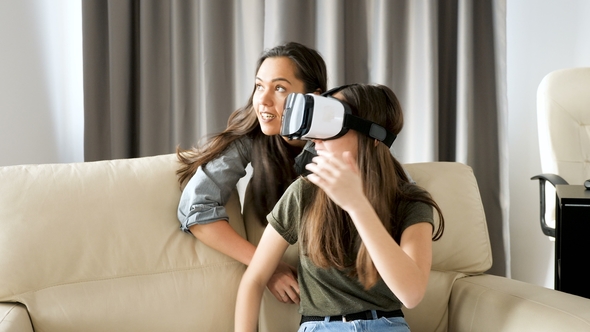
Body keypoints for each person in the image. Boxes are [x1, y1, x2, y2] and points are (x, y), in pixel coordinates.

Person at [235, 83, 445, 332]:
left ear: (374, 137)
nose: (315, 139)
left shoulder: (410, 201)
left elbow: (411, 294)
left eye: (331, 124)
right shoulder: (304, 193)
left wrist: (358, 206)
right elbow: (255, 279)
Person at [176, 42, 327, 304]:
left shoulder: (339, 141)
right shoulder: (252, 137)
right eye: (259, 86)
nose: (263, 100)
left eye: (279, 88)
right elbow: (195, 207)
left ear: (312, 97)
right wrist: (268, 266)